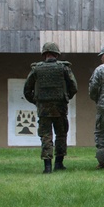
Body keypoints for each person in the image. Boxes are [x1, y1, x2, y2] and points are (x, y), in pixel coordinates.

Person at [23, 43, 78, 173]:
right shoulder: (64, 68)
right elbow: (74, 87)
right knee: (61, 134)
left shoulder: (36, 69)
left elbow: (27, 90)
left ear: (44, 54)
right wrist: (66, 97)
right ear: (57, 54)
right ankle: (59, 163)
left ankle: (47, 167)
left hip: (43, 109)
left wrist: (37, 101)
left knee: (46, 136)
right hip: (60, 107)